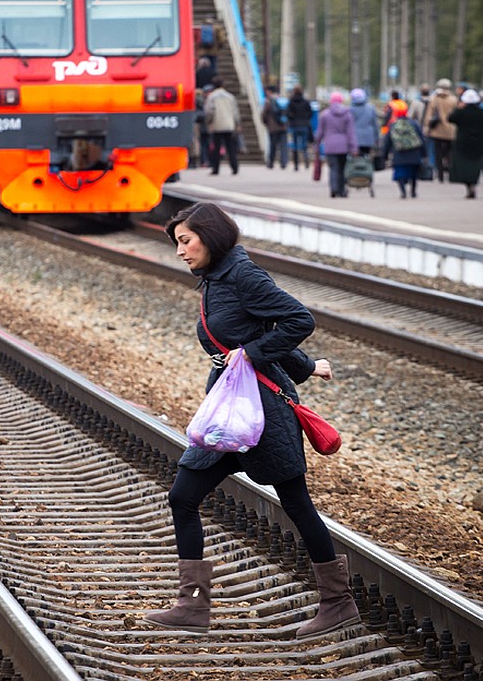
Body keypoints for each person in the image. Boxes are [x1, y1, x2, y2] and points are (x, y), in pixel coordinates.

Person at [146, 202, 358, 639]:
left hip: (265, 412)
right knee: (183, 496)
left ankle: (338, 603)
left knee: (297, 504)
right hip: (229, 410)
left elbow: (298, 319)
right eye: (177, 244)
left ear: (210, 235)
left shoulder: (243, 275)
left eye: (185, 241)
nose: (180, 251)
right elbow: (256, 331)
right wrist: (304, 366)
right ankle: (192, 605)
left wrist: (254, 357)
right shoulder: (213, 280)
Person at [448, 89, 483, 198]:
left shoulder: (461, 112)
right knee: (475, 167)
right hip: (479, 143)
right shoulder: (482, 113)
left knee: (464, 166)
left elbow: (450, 119)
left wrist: (458, 108)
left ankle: (468, 186)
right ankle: (473, 183)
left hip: (463, 143)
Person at [314, 92, 358, 197]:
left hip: (330, 145)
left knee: (333, 168)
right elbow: (350, 133)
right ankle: (342, 190)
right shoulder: (347, 115)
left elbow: (320, 132)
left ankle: (334, 189)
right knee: (343, 168)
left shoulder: (324, 115)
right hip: (344, 146)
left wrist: (316, 144)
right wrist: (354, 148)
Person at [382, 103, 425, 198]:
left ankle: (403, 192)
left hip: (399, 154)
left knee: (400, 174)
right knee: (413, 174)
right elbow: (421, 139)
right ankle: (413, 191)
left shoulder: (393, 125)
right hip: (414, 153)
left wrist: (384, 155)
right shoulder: (414, 124)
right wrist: (424, 154)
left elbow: (387, 142)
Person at [422, 78, 458, 183]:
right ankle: (451, 173)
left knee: (438, 153)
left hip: (437, 130)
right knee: (449, 153)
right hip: (451, 130)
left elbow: (429, 115)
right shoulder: (453, 100)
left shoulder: (434, 99)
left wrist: (426, 126)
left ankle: (441, 175)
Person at [204, 76, 241, 176]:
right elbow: (235, 112)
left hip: (217, 125)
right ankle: (234, 168)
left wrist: (208, 122)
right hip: (229, 125)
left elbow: (209, 111)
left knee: (216, 148)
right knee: (231, 148)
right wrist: (236, 124)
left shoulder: (211, 97)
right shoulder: (230, 96)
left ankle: (215, 169)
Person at [261, 85, 289, 169]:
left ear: (269, 92)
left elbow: (264, 114)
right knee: (283, 145)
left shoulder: (268, 101)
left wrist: (266, 123)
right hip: (283, 126)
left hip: (273, 127)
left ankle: (271, 162)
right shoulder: (282, 100)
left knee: (273, 146)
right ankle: (283, 162)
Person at [286, 86, 314, 170]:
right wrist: (305, 119)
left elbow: (288, 114)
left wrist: (292, 120)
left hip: (294, 126)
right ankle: (306, 163)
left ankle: (296, 165)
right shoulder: (306, 102)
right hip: (304, 125)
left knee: (295, 145)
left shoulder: (291, 102)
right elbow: (310, 113)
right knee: (304, 145)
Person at [408, 83, 435, 168]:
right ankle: (431, 167)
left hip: (419, 128)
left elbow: (410, 116)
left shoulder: (415, 102)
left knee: (419, 148)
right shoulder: (434, 101)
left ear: (420, 92)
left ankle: (421, 166)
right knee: (431, 149)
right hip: (432, 128)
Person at [348, 88, 380, 158]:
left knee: (354, 159)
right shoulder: (371, 108)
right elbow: (375, 125)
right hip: (368, 138)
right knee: (366, 157)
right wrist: (377, 138)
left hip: (354, 139)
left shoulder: (349, 110)